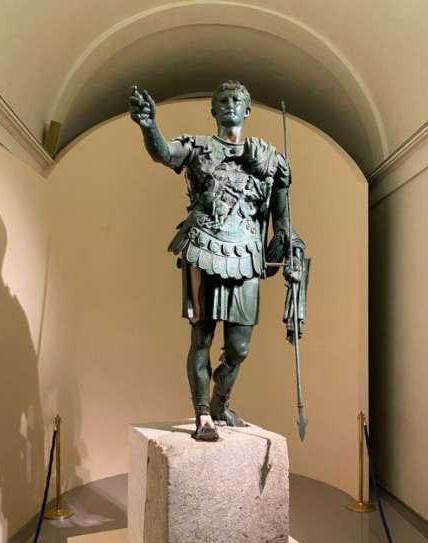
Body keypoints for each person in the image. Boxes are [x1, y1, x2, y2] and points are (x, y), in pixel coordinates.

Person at [129, 81, 307, 441]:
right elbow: (164, 153)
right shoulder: (197, 147)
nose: (229, 104)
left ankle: (220, 402)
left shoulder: (270, 161)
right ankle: (203, 414)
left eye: (236, 100)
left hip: (246, 255)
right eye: (222, 100)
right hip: (203, 248)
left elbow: (283, 224)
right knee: (202, 338)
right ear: (213, 110)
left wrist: (292, 252)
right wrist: (149, 126)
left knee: (239, 349)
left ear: (247, 109)